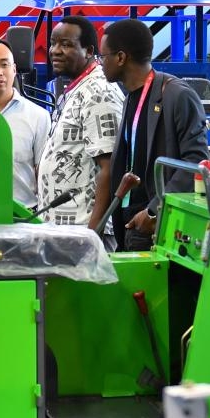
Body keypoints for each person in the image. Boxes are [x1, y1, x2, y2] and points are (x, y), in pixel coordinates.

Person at [98, 18, 210, 251]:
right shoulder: (130, 96)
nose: (100, 64)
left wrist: (154, 210)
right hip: (130, 225)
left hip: (155, 226)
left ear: (120, 58)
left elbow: (196, 162)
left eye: (103, 57)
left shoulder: (177, 95)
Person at [37, 15, 124, 247]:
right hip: (65, 230)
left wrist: (91, 236)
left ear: (88, 51)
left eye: (66, 44)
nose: (55, 50)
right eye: (53, 43)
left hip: (83, 233)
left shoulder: (98, 93)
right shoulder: (77, 88)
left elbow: (110, 167)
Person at [0, 39, 50, 209]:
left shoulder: (38, 117)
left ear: (14, 70)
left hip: (24, 218)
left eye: (4, 64)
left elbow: (43, 176)